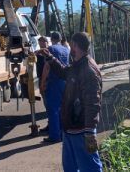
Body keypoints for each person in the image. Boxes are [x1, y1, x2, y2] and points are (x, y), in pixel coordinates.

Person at [41, 32, 103, 172]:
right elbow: (64, 73)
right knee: (70, 167)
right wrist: (50, 58)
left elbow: (93, 103)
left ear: (74, 45)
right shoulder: (77, 65)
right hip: (71, 129)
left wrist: (89, 131)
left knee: (90, 167)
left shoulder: (88, 69)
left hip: (81, 130)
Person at [42, 31, 69, 143]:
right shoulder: (66, 49)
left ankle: (54, 136)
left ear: (51, 39)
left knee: (53, 109)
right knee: (62, 108)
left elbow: (47, 67)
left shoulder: (51, 49)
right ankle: (63, 133)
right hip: (64, 81)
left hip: (53, 82)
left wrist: (43, 82)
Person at [35, 36, 50, 133]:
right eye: (40, 43)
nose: (41, 45)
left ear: (47, 42)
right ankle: (50, 123)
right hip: (42, 79)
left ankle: (52, 125)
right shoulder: (39, 53)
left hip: (48, 80)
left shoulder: (48, 52)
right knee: (46, 103)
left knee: (50, 104)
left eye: (43, 43)